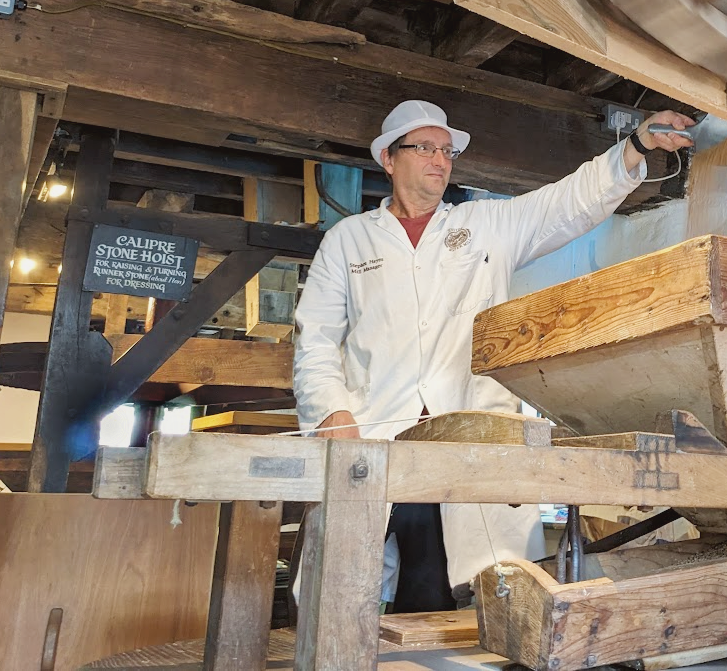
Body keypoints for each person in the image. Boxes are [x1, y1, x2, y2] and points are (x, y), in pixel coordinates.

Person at [293, 98, 695, 611]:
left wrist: (635, 147)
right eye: (425, 148)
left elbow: (564, 203)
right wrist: (333, 413)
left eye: (447, 150)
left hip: (472, 439)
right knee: (351, 600)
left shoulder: (484, 226)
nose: (440, 160)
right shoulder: (348, 241)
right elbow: (317, 338)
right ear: (389, 159)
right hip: (376, 437)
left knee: (476, 604)